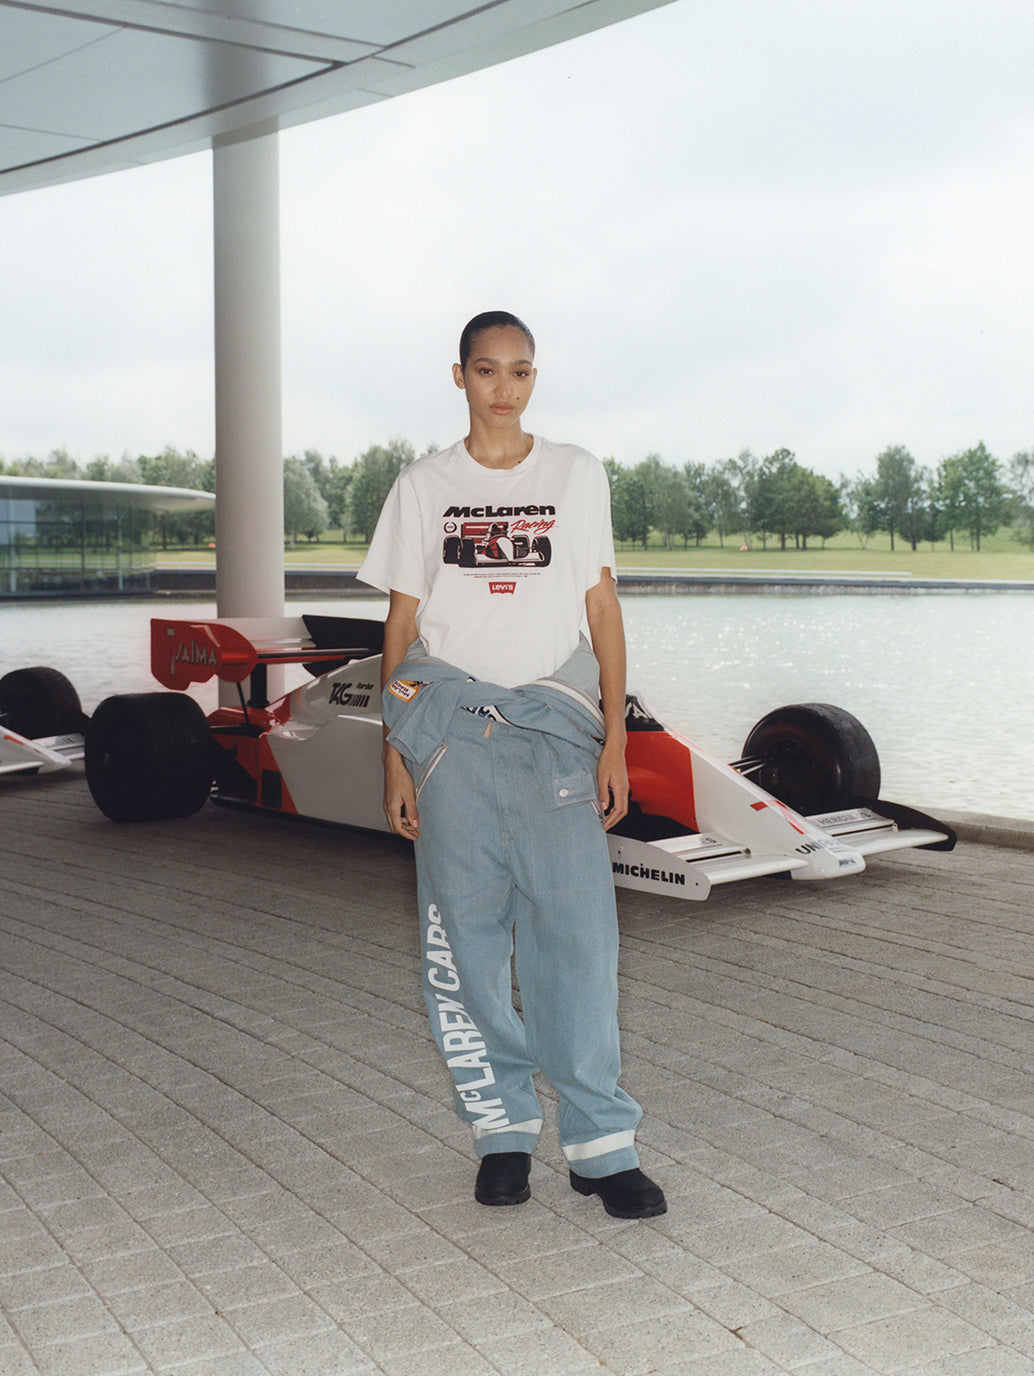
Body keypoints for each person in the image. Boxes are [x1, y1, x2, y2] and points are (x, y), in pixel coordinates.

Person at [357, 311, 665, 1219]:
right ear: (459, 377)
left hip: (552, 737)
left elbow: (601, 609)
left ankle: (602, 1147)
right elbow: (402, 625)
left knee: (577, 943)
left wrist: (614, 734)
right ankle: (501, 1133)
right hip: (449, 736)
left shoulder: (574, 475)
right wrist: (396, 754)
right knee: (467, 948)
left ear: (536, 378)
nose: (505, 388)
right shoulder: (423, 485)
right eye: (487, 371)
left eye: (520, 372)